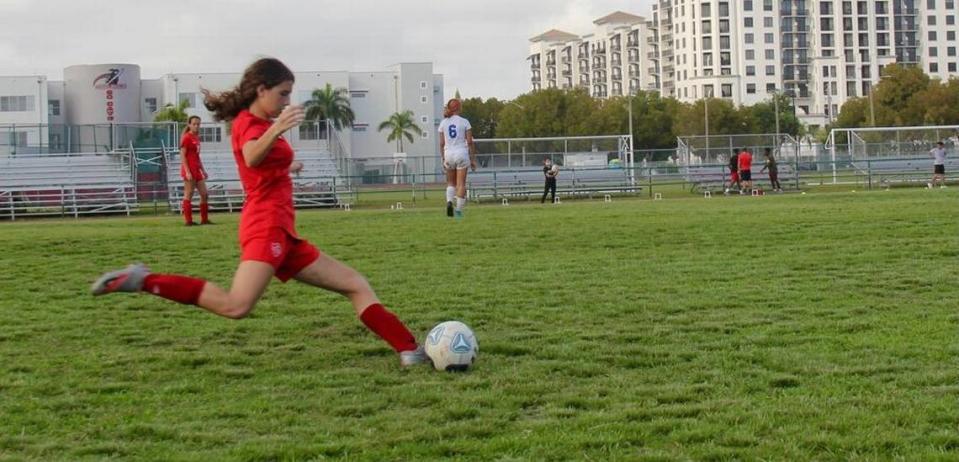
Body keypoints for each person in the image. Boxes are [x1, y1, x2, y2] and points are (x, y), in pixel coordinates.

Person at [90, 58, 427, 367]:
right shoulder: (250, 124)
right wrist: (278, 128)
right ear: (261, 90)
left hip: (284, 234)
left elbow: (262, 163)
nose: (286, 101)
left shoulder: (261, 123)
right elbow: (251, 156)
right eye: (282, 94)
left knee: (355, 284)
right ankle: (143, 280)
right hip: (266, 229)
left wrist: (288, 164)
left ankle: (409, 350)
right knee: (235, 305)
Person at [438, 99, 476, 219]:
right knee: (461, 184)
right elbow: (469, 141)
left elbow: (441, 143)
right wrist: (473, 158)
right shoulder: (465, 122)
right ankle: (458, 211)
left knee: (450, 183)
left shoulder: (443, 123)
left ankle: (449, 201)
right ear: (459, 107)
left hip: (448, 153)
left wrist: (443, 158)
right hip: (461, 153)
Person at [180, 115, 211, 226]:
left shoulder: (197, 138)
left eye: (198, 124)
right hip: (190, 170)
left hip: (197, 170)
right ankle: (188, 221)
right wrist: (187, 171)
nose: (197, 126)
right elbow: (183, 155)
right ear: (189, 125)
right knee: (189, 194)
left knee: (204, 194)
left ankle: (204, 220)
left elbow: (197, 156)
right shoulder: (186, 138)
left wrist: (203, 170)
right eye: (194, 124)